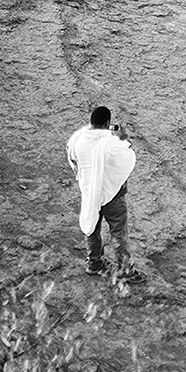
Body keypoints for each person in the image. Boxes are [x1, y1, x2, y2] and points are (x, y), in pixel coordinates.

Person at [67, 106, 140, 279]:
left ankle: (94, 263)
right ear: (108, 123)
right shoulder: (112, 143)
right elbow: (129, 155)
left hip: (90, 192)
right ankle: (125, 270)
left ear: (91, 121)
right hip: (113, 194)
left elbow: (73, 159)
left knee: (92, 226)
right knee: (119, 232)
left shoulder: (78, 139)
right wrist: (122, 135)